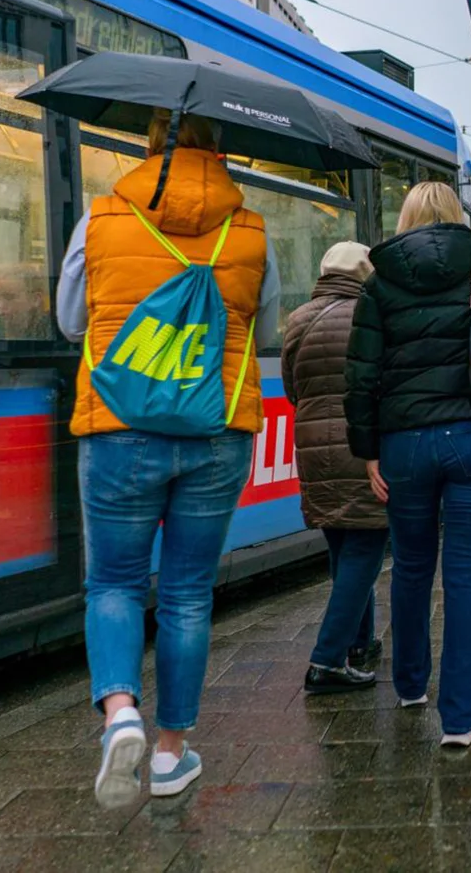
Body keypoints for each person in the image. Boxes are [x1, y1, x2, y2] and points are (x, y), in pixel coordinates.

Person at [56, 110, 278, 808]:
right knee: (186, 594)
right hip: (216, 431)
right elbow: (261, 329)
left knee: (115, 581)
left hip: (119, 422)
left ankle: (119, 711)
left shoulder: (101, 216)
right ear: (221, 145)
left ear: (151, 141)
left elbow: (70, 318)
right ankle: (172, 752)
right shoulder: (251, 230)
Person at [344, 182, 471, 747]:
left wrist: (368, 452)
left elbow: (360, 377)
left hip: (405, 445)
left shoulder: (379, 285)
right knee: (465, 574)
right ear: (457, 217)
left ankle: (409, 685)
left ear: (405, 218)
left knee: (409, 565)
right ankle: (461, 718)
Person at [281, 241, 388, 694]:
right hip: (360, 447)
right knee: (365, 550)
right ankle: (326, 661)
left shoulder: (299, 319)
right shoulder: (370, 314)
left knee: (343, 549)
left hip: (312, 448)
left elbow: (292, 389)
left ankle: (358, 642)